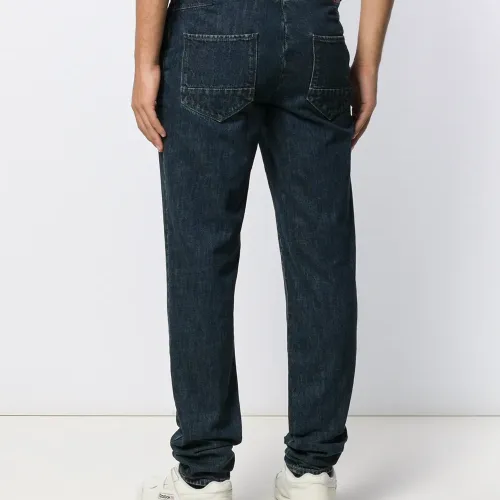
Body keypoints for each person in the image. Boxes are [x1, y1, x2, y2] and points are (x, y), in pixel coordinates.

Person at [132, 0, 393, 498]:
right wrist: (367, 62)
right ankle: (312, 471)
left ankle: (203, 473)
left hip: (211, 36)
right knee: (323, 261)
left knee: (200, 257)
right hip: (315, 41)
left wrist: (146, 64)